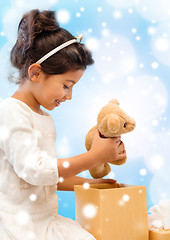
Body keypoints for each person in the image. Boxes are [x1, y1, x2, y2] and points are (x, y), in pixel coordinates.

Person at [0, 9, 126, 240]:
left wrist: (91, 182)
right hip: (18, 227)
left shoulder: (44, 118)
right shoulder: (10, 112)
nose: (69, 96)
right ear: (36, 73)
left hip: (46, 222)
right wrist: (95, 157)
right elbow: (36, 171)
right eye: (67, 85)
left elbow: (48, 179)